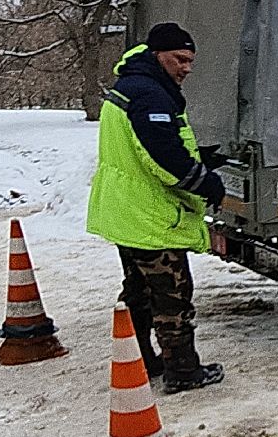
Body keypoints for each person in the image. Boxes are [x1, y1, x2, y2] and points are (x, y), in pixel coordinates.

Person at [87, 22, 227, 393]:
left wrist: (201, 158)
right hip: (150, 217)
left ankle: (139, 361)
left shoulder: (134, 85)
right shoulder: (150, 94)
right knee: (172, 298)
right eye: (179, 59)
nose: (186, 68)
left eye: (190, 61)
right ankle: (183, 372)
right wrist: (206, 182)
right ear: (157, 54)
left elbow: (146, 147)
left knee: (138, 292)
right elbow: (163, 157)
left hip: (128, 211)